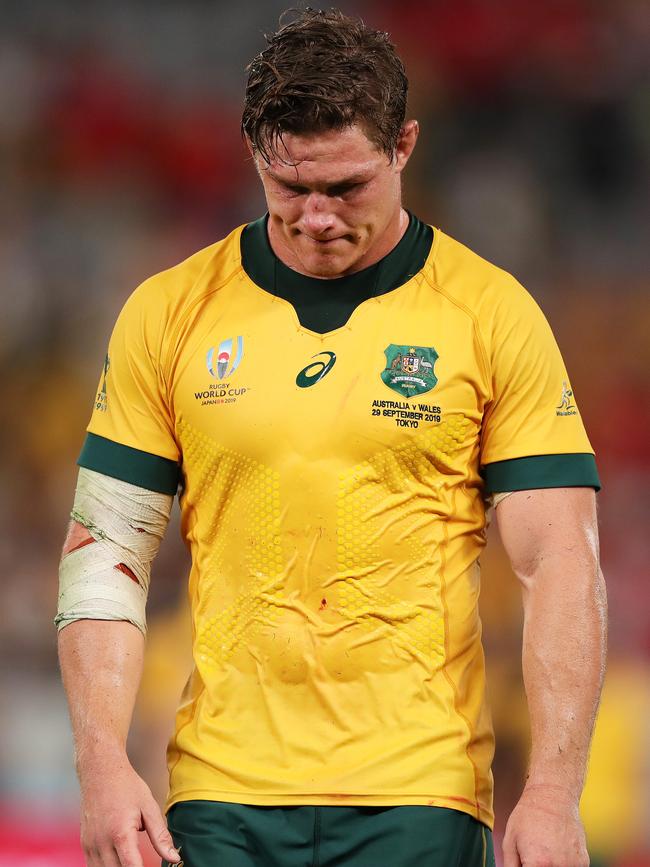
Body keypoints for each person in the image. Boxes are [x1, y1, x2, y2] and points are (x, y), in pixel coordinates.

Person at [56, 9, 607, 867]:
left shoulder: (492, 315)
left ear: (404, 147)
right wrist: (98, 764)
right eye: (289, 188)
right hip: (219, 796)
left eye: (346, 188)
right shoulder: (167, 312)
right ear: (253, 156)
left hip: (420, 795)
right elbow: (105, 551)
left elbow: (561, 561)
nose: (315, 217)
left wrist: (554, 794)